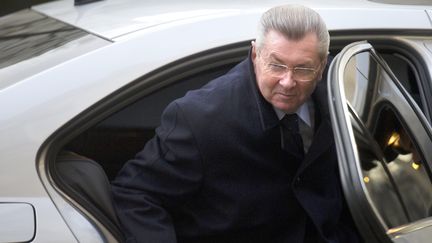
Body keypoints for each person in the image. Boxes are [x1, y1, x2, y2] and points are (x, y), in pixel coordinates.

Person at [111, 4, 360, 243]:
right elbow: (136, 193)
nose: (287, 81)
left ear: (322, 66)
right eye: (276, 65)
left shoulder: (342, 94)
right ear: (255, 55)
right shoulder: (200, 118)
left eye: (303, 69)